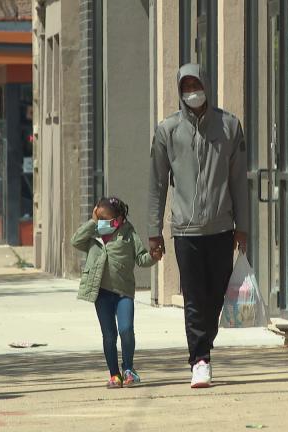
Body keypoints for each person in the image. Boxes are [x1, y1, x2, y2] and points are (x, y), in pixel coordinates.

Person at [148, 63, 249, 388]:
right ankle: (200, 360)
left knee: (216, 296)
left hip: (221, 227)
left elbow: (238, 182)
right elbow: (157, 184)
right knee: (194, 296)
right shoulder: (168, 130)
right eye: (186, 85)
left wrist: (242, 225)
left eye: (196, 83)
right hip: (185, 230)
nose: (192, 90)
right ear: (179, 90)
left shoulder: (229, 126)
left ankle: (204, 345)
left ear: (206, 84)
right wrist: (154, 231)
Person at [71, 196, 157, 389]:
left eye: (105, 219)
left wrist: (153, 256)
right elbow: (75, 240)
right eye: (98, 218)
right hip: (101, 294)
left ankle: (128, 369)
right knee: (109, 335)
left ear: (117, 219)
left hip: (123, 292)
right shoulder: (93, 237)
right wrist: (93, 222)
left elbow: (141, 258)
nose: (102, 223)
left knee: (126, 330)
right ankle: (114, 374)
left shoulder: (128, 234)